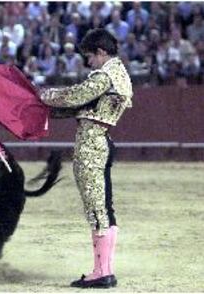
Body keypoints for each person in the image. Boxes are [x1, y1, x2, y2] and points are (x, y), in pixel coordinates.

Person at [39, 29, 133, 288]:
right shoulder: (120, 74)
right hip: (103, 140)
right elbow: (82, 106)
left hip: (92, 146)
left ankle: (101, 273)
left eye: (90, 57)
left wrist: (41, 95)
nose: (88, 62)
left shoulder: (105, 75)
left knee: (96, 209)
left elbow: (76, 95)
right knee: (105, 208)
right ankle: (105, 269)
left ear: (102, 53)